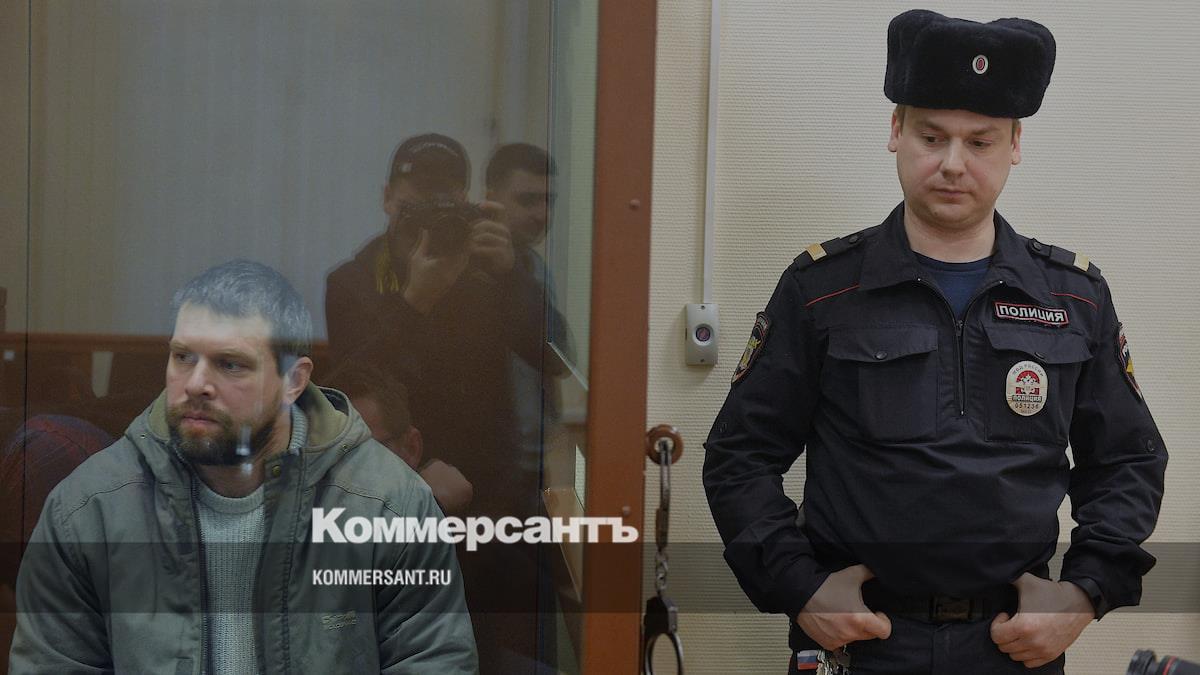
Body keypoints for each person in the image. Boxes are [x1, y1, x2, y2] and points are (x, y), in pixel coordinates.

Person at [703, 10, 1167, 675]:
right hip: (862, 644)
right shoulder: (823, 290)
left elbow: (1127, 460)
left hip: (1011, 647)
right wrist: (798, 586)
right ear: (895, 131)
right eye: (931, 136)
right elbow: (739, 455)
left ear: (1015, 144)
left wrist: (1084, 593)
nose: (953, 164)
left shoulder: (1074, 298)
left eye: (980, 141)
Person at [10, 260, 477, 674]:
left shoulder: (389, 506)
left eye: (230, 364)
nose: (196, 383)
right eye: (182, 357)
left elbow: (434, 661)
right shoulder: (88, 509)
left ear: (294, 381)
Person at [325, 134, 548, 671]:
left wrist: (512, 275)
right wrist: (415, 301)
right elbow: (351, 394)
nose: (429, 225)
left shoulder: (489, 273)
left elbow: (554, 354)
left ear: (466, 206)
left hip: (486, 505)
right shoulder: (353, 282)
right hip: (386, 497)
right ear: (387, 200)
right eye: (415, 206)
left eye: (442, 206)